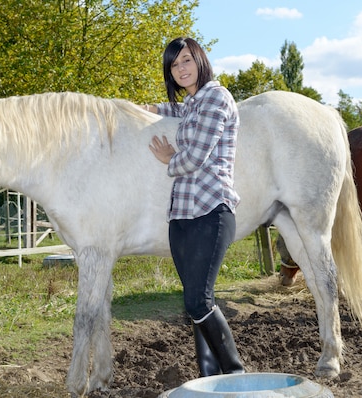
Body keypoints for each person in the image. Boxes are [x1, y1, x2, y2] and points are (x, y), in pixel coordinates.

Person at [146, 37, 244, 377]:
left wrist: (169, 159)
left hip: (210, 211)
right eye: (174, 65)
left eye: (186, 60)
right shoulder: (192, 104)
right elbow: (180, 110)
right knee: (198, 302)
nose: (181, 69)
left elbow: (197, 155)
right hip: (182, 215)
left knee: (197, 301)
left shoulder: (217, 97)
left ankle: (234, 373)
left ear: (200, 60)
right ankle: (208, 377)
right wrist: (153, 109)